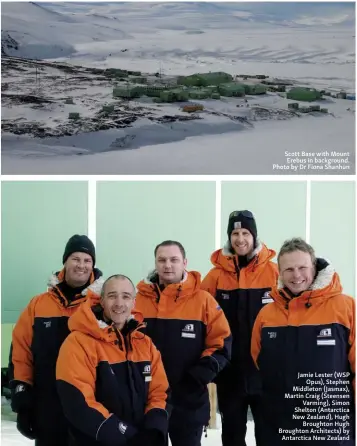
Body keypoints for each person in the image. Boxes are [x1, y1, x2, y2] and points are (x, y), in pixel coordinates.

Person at [251, 238, 355, 446]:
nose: (296, 275)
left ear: (314, 267)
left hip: (327, 425)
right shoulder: (266, 315)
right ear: (279, 272)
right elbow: (257, 360)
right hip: (277, 424)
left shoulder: (345, 307)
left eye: (302, 267)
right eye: (289, 269)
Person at [9, 235, 104, 446]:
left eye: (87, 260)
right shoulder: (39, 304)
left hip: (89, 404)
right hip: (47, 404)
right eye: (75, 259)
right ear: (65, 262)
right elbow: (21, 351)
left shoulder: (101, 305)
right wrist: (23, 399)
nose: (81, 265)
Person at [135, 240, 232, 446]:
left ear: (185, 262)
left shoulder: (203, 300)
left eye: (173, 260)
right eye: (161, 260)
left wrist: (199, 375)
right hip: (148, 400)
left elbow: (221, 342)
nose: (167, 265)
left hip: (189, 400)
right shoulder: (137, 300)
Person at [56, 274, 169, 446]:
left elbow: (159, 392)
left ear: (134, 302)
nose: (119, 303)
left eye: (126, 296)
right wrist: (126, 433)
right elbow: (78, 401)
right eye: (112, 296)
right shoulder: (78, 342)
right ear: (101, 300)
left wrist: (153, 429)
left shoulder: (144, 344)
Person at [201, 210, 279, 446]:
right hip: (230, 373)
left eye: (246, 232)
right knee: (233, 435)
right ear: (229, 237)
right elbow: (199, 314)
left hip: (265, 372)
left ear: (254, 236)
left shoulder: (274, 272)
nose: (240, 238)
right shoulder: (215, 277)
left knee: (269, 434)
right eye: (235, 233)